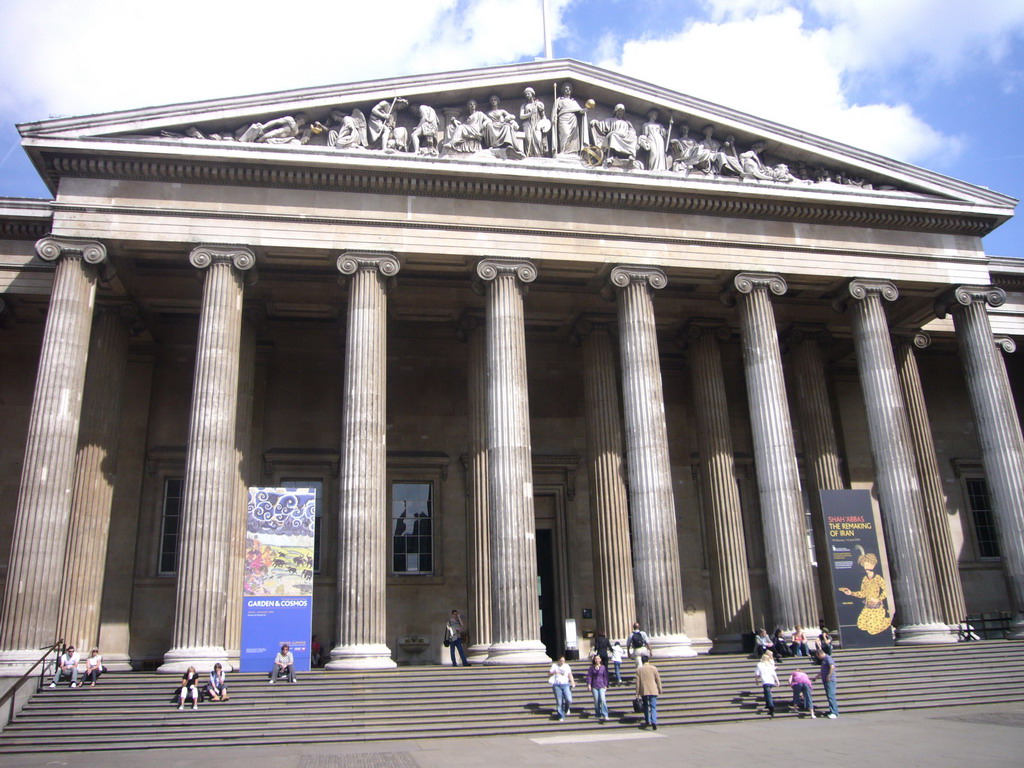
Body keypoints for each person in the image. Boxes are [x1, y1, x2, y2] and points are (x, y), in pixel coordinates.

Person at [839, 550, 893, 635]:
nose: (865, 567)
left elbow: (886, 590)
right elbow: (863, 593)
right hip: (868, 607)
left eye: (868, 564)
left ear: (873, 565)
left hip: (877, 607)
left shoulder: (878, 578)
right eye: (864, 564)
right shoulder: (865, 579)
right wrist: (851, 593)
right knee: (861, 625)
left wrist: (878, 599)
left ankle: (889, 620)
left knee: (872, 630)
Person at [552, 82, 586, 155]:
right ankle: (563, 150)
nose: (568, 90)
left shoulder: (573, 102)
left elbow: (580, 110)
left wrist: (587, 109)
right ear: (563, 90)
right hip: (563, 118)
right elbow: (554, 111)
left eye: (569, 89)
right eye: (566, 89)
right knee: (565, 134)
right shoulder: (560, 100)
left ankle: (572, 152)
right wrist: (553, 117)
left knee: (573, 136)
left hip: (573, 119)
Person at [519, 87, 548, 157]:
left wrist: (545, 124)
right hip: (527, 124)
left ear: (532, 94)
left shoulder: (538, 104)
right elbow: (521, 116)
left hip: (537, 124)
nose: (527, 95)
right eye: (526, 94)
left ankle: (539, 156)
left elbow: (543, 115)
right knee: (528, 139)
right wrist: (530, 114)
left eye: (528, 93)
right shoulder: (524, 105)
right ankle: (529, 155)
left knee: (538, 139)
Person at [635, 659, 663, 730]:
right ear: (648, 660)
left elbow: (638, 683)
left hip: (644, 690)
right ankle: (654, 721)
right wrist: (660, 688)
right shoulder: (654, 668)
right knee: (653, 707)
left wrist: (637, 693)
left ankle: (648, 721)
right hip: (653, 689)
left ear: (642, 661)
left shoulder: (639, 670)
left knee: (645, 706)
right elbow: (658, 679)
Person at [813, 647, 838, 719]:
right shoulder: (824, 660)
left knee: (831, 696)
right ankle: (832, 710)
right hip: (826, 680)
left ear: (820, 654)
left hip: (829, 680)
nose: (818, 658)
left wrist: (829, 676)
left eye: (818, 656)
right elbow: (822, 671)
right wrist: (816, 677)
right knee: (829, 696)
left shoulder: (827, 658)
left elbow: (832, 667)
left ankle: (834, 712)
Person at [548, 656, 575, 722]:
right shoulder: (554, 666)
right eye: (561, 661)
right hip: (557, 685)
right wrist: (554, 673)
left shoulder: (567, 666)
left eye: (563, 661)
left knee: (569, 699)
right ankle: (560, 715)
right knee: (559, 702)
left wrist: (572, 682)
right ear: (558, 661)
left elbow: (570, 674)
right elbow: (549, 674)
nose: (562, 663)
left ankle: (566, 708)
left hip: (565, 684)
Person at [585, 653, 609, 723]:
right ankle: (598, 713)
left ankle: (605, 714)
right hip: (594, 686)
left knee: (602, 699)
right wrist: (589, 684)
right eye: (595, 659)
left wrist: (606, 684)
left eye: (598, 658)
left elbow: (605, 676)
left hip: (601, 685)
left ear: (600, 660)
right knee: (596, 700)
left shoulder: (603, 667)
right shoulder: (592, 668)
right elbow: (589, 676)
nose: (597, 660)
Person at [754, 652, 779, 717]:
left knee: (768, 695)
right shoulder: (770, 665)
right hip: (771, 681)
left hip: (765, 681)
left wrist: (756, 680)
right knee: (766, 692)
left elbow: (757, 673)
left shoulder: (760, 664)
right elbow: (774, 673)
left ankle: (771, 707)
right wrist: (777, 681)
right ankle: (767, 705)